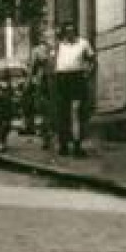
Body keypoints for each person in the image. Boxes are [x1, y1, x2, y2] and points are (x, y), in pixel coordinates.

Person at [52, 22, 95, 157]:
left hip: (77, 78)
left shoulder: (83, 43)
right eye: (67, 31)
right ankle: (63, 145)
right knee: (62, 112)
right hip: (62, 78)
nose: (69, 34)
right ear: (64, 33)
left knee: (76, 111)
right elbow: (53, 61)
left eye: (72, 31)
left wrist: (88, 73)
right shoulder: (59, 45)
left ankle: (77, 145)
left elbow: (92, 59)